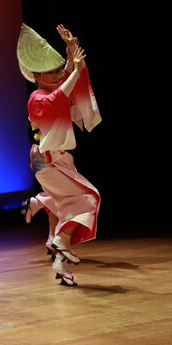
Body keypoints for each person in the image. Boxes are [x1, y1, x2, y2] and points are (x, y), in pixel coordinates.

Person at [17, 24, 101, 286]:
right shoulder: (37, 98)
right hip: (47, 159)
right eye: (49, 73)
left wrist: (70, 48)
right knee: (88, 197)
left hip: (58, 157)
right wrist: (73, 71)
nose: (56, 75)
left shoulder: (51, 90)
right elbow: (59, 95)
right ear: (36, 76)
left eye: (56, 71)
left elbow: (65, 83)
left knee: (65, 204)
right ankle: (60, 242)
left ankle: (61, 262)